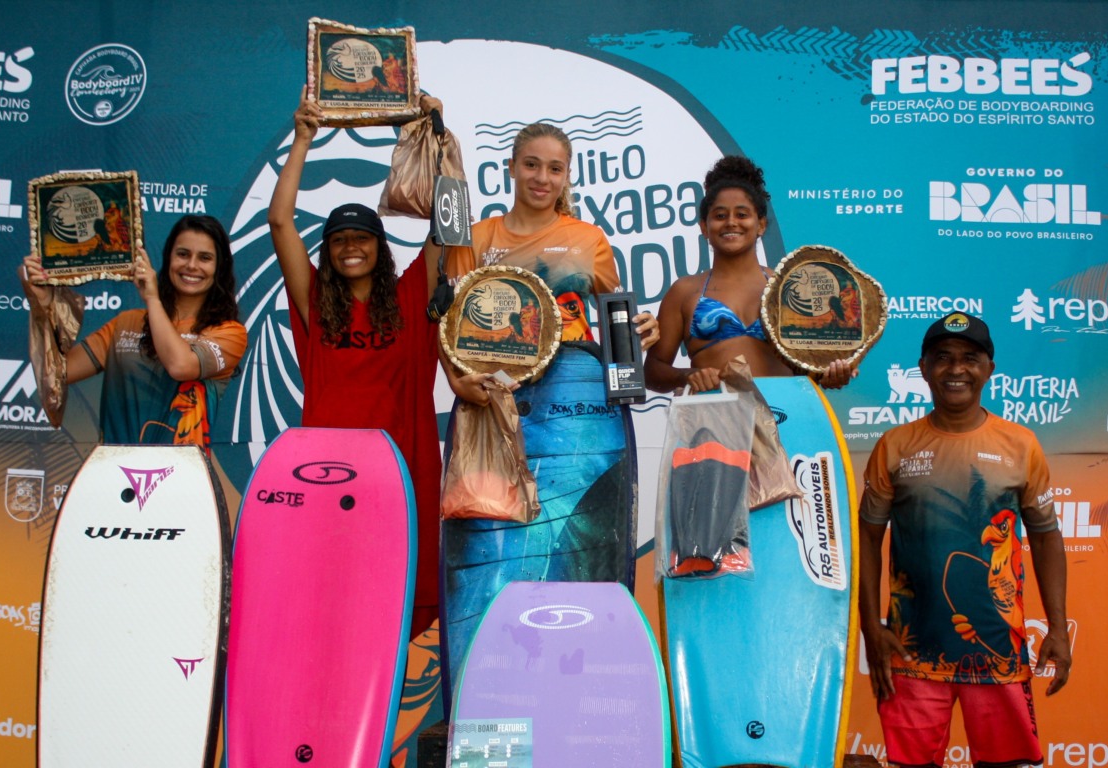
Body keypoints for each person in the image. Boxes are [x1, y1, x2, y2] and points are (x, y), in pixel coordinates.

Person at [438, 121, 659, 696]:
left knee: (574, 538)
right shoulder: (476, 237)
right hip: (494, 406)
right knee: (493, 544)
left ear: (566, 177)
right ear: (511, 168)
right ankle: (488, 691)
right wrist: (457, 380)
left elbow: (614, 318)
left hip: (578, 413)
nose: (542, 177)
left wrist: (641, 335)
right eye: (531, 164)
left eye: (554, 168)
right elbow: (447, 319)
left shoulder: (588, 239)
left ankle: (576, 692)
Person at [858, 312, 1071, 768]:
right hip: (912, 651)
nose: (956, 369)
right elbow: (868, 541)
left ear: (989, 369)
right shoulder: (895, 446)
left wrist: (1058, 627)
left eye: (970, 358)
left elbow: (1047, 539)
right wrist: (870, 627)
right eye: (943, 358)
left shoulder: (1021, 445)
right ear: (923, 368)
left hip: (998, 652)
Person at [271, 93, 444, 638]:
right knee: (331, 604)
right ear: (327, 251)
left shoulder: (412, 298)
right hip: (327, 477)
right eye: (339, 239)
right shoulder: (317, 306)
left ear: (380, 246)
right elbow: (279, 222)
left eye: (361, 238)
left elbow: (448, 223)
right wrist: (303, 138)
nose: (350, 247)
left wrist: (435, 139)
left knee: (389, 607)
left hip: (398, 474)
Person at [19, 214, 246, 447]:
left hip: (183, 467)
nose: (191, 265)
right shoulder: (126, 323)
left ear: (219, 267)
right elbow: (58, 374)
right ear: (168, 258)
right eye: (183, 254)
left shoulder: (229, 333)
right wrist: (43, 303)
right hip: (116, 465)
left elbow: (180, 366)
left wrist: (152, 299)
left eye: (205, 258)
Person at [643, 155, 855, 394]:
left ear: (761, 225)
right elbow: (652, 372)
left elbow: (811, 369)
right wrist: (688, 375)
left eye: (742, 215)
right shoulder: (684, 292)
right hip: (714, 414)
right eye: (720, 216)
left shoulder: (786, 287)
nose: (731, 222)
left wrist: (830, 374)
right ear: (704, 227)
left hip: (786, 412)